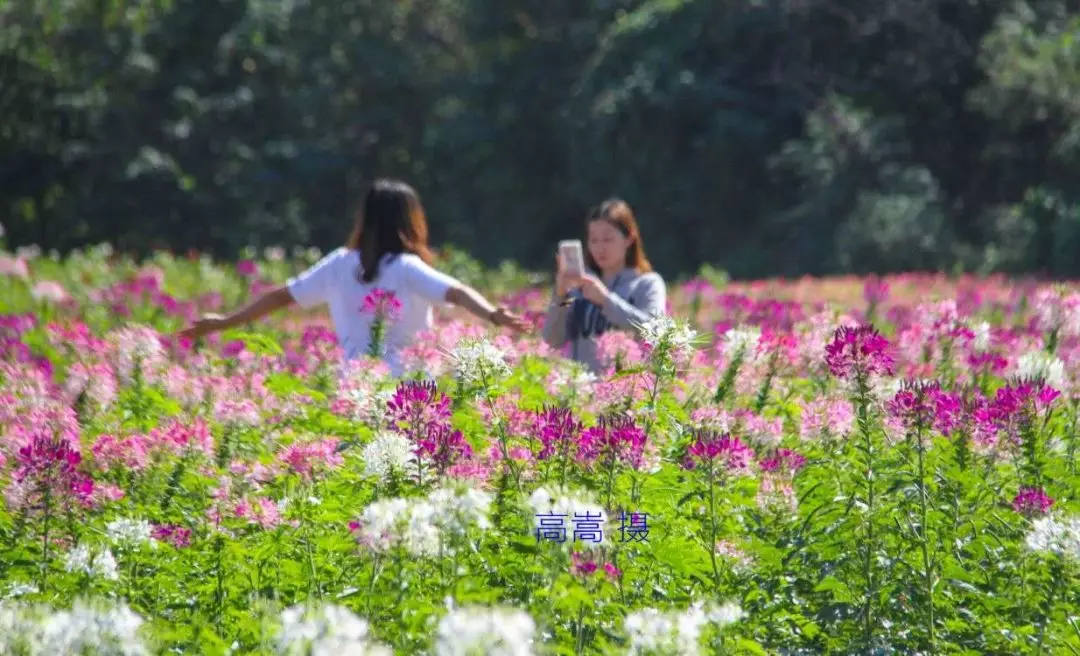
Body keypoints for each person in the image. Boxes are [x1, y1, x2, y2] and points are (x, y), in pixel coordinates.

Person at [179, 178, 529, 375]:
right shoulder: (407, 268)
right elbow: (457, 292)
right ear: (411, 221)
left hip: (356, 386)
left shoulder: (338, 264)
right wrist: (494, 315)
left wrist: (225, 321)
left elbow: (280, 296)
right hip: (411, 388)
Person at [541, 198, 667, 372]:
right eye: (593, 240)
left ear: (629, 240)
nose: (600, 248)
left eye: (608, 239)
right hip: (579, 392)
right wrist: (561, 294)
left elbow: (655, 331)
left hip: (626, 392)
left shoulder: (647, 283)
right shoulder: (579, 288)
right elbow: (553, 340)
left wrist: (606, 300)